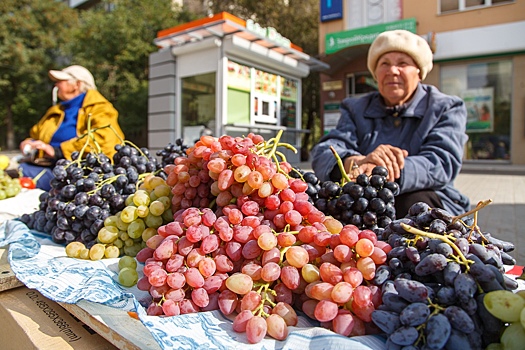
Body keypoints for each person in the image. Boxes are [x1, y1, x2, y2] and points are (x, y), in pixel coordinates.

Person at [311, 30, 470, 218]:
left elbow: (442, 162)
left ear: (419, 72)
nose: (392, 70)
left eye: (403, 63)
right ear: (376, 74)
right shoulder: (356, 108)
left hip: (429, 198)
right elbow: (324, 152)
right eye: (384, 63)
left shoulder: (445, 107)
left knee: (416, 205)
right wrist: (356, 163)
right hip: (365, 201)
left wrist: (380, 171)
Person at [18, 65, 125, 191]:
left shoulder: (100, 108)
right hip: (48, 166)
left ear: (77, 84)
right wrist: (29, 142)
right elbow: (35, 134)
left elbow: (104, 140)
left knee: (23, 176)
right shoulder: (55, 111)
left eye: (60, 81)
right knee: (15, 171)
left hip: (80, 172)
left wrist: (58, 151)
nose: (56, 85)